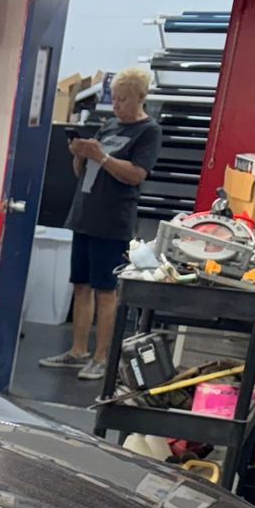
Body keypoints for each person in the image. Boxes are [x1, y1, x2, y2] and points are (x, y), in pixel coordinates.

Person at [40, 66, 161, 383]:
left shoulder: (148, 132)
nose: (118, 105)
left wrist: (102, 157)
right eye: (115, 98)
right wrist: (80, 155)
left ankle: (102, 356)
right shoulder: (108, 125)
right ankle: (78, 350)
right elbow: (83, 174)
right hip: (84, 216)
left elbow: (136, 175)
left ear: (140, 98)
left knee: (106, 291)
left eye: (124, 99)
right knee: (81, 286)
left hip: (112, 222)